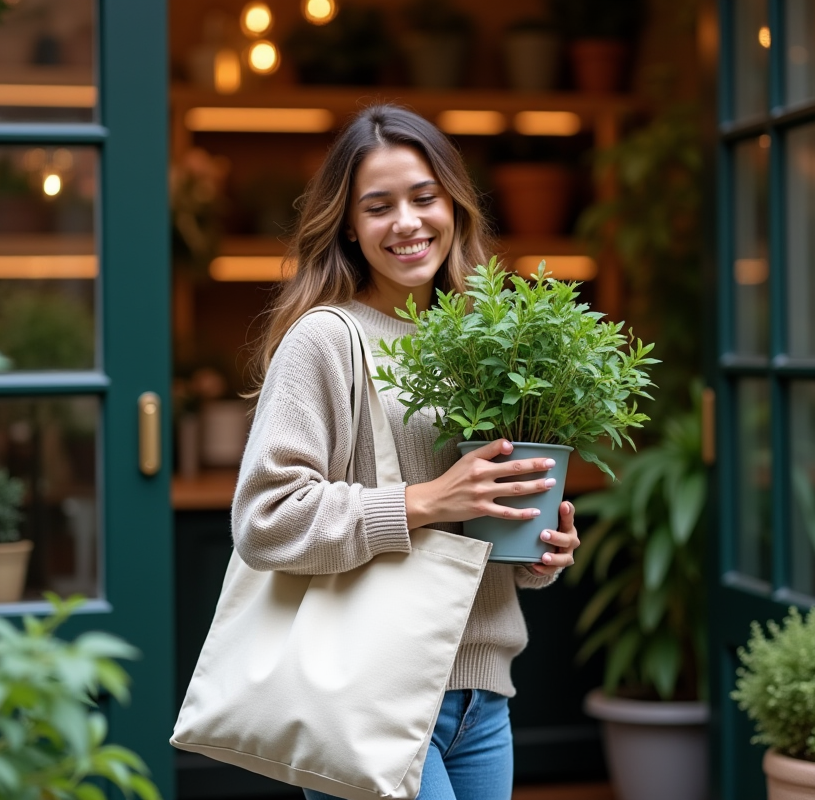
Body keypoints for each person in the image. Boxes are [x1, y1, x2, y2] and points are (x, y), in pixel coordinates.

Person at [232, 103, 582, 800]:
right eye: (379, 206)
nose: (408, 223)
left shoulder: (493, 343)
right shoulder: (326, 339)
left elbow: (476, 524)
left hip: (481, 700)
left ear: (454, 203)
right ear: (351, 228)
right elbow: (265, 519)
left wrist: (537, 551)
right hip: (367, 689)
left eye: (425, 197)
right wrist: (426, 500)